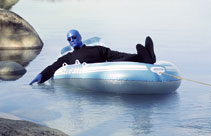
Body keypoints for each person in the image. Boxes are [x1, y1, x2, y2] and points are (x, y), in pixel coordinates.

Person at [29, 29, 157, 85]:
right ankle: (146, 57)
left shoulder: (96, 48)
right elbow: (53, 67)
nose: (72, 40)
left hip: (105, 64)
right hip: (92, 71)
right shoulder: (68, 57)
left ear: (80, 37)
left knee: (120, 56)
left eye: (74, 37)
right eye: (69, 39)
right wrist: (41, 75)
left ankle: (143, 56)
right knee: (118, 57)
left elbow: (115, 55)